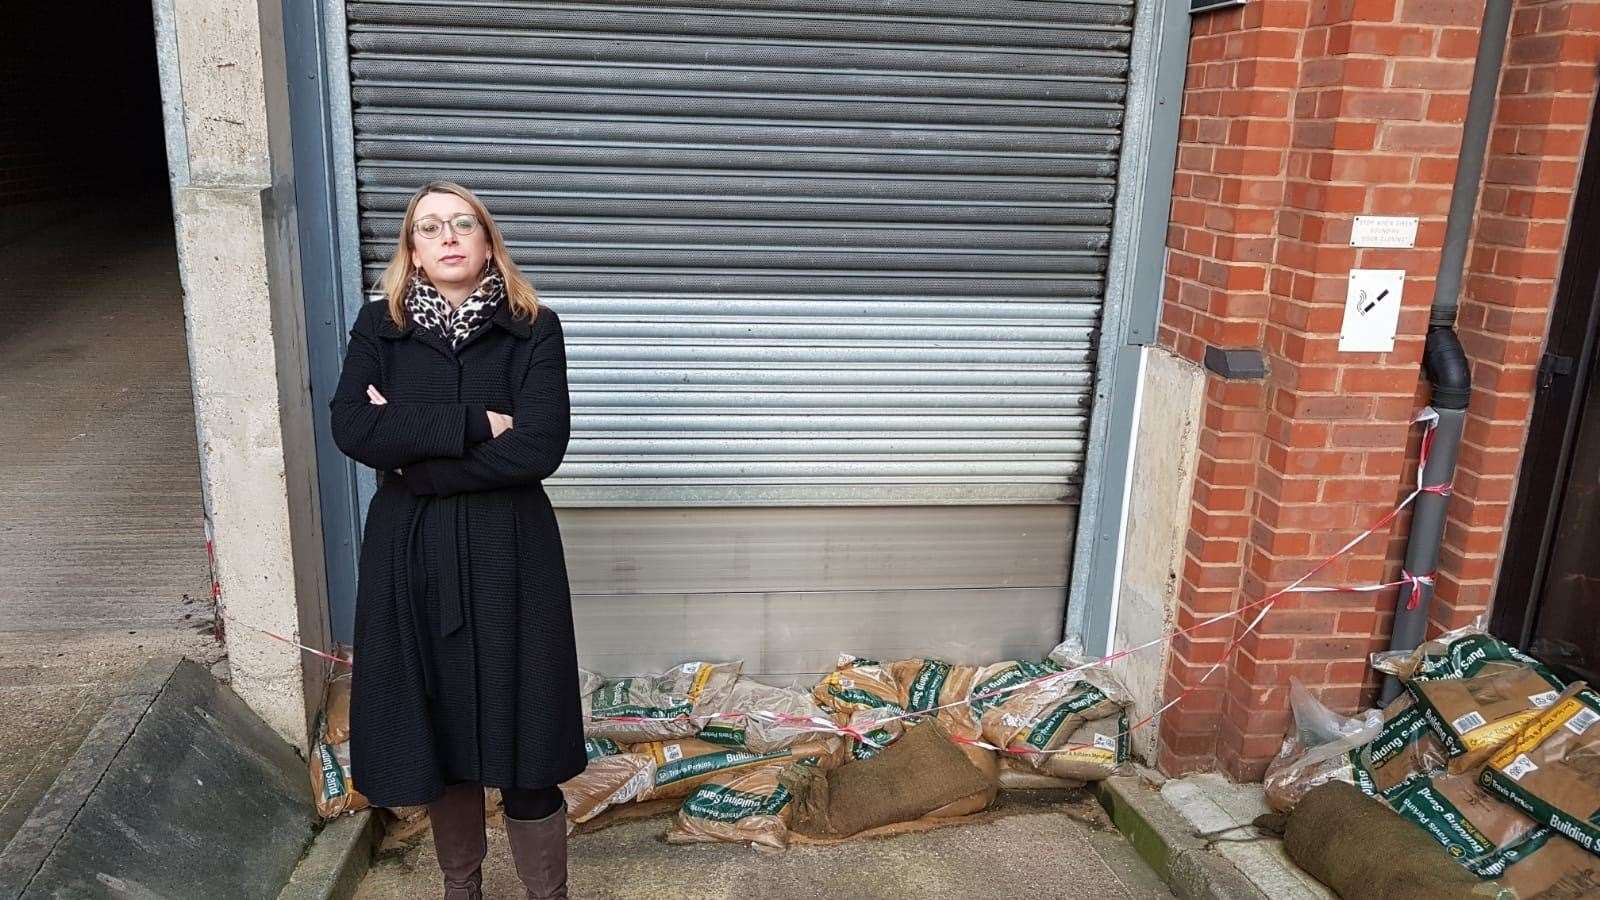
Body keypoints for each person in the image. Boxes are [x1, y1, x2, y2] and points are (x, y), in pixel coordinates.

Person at [329, 180, 586, 899]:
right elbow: (353, 427)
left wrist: (414, 456)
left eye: (463, 224)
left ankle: (546, 893)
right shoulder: (378, 325)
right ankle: (460, 888)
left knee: (526, 738)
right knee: (441, 734)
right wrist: (478, 422)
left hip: (511, 553)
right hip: (410, 556)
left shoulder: (535, 326)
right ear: (411, 248)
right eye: (430, 226)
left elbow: (540, 448)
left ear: (487, 241)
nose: (447, 237)